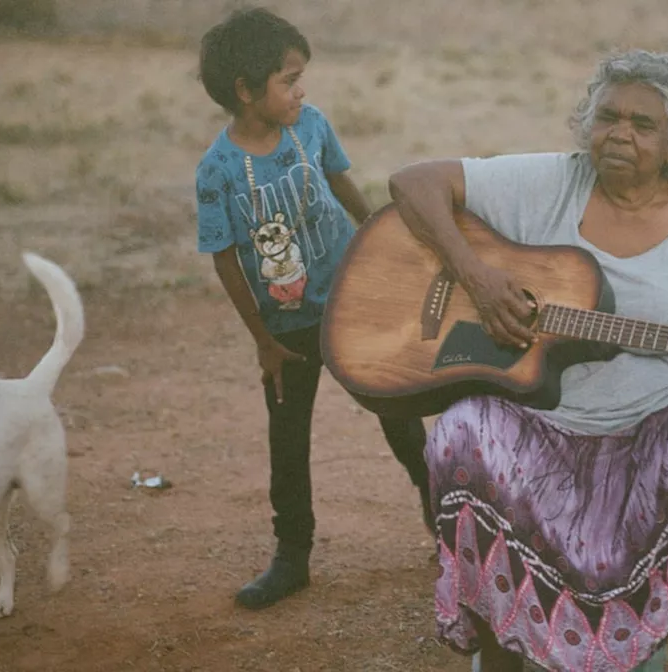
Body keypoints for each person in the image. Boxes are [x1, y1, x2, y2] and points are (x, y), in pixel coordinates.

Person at [387, 48, 668, 671]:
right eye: (608, 116)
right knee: (461, 433)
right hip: (539, 421)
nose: (619, 133)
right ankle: (501, 644)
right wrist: (479, 277)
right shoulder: (551, 181)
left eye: (643, 124)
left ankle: (649, 634)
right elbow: (413, 184)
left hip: (654, 434)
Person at [193, 7, 433, 610]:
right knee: (288, 440)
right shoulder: (217, 171)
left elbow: (341, 181)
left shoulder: (314, 125)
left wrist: (379, 233)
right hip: (286, 328)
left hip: (351, 302)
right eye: (288, 79)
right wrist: (263, 340)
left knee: (400, 416)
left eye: (301, 77)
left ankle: (448, 523)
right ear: (247, 91)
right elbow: (224, 258)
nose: (301, 90)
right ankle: (291, 557)